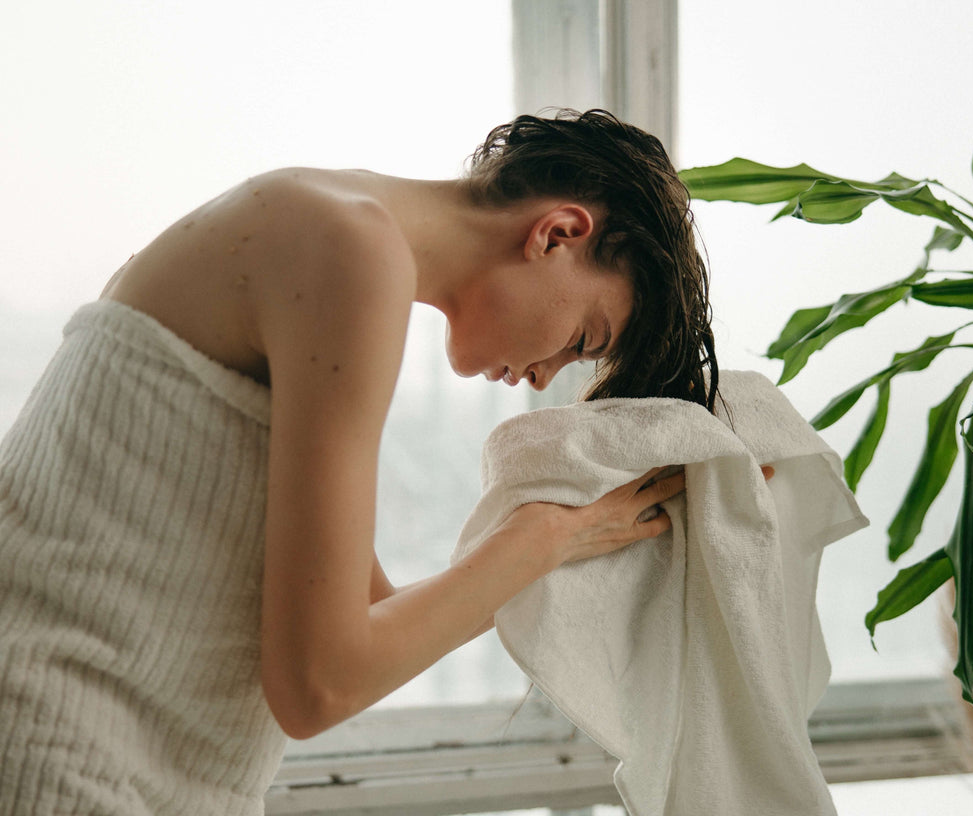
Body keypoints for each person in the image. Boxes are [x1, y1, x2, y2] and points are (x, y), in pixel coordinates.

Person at [0, 109, 717, 814]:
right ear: (557, 234)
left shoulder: (327, 226)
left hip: (91, 758)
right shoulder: (346, 246)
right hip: (57, 758)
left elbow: (371, 616)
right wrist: (544, 539)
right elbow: (318, 687)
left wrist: (581, 537)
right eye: (583, 338)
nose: (545, 375)